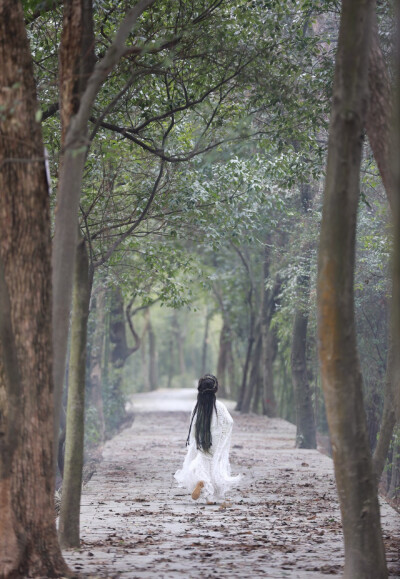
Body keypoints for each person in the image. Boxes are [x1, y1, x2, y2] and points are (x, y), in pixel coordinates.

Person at [174, 374, 241, 503]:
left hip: (202, 439)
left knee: (202, 462)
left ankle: (202, 483)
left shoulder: (197, 405)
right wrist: (222, 437)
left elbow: (192, 423)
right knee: (214, 465)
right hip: (215, 441)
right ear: (215, 389)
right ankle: (210, 497)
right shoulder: (219, 406)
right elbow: (229, 421)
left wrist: (194, 440)